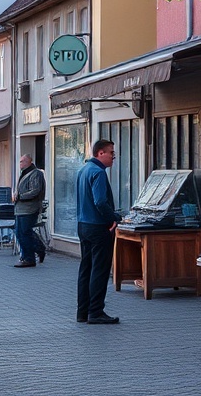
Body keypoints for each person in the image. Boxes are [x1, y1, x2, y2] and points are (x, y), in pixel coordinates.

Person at [76, 139, 122, 324]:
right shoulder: (98, 173)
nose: (114, 156)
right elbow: (100, 202)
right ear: (100, 153)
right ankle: (95, 312)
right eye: (111, 153)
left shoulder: (83, 170)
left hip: (83, 225)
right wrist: (113, 218)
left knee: (85, 268)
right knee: (100, 269)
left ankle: (82, 311)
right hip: (97, 227)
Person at [12, 154, 47, 268]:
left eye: (22, 161)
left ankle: (29, 257)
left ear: (29, 162)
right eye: (20, 161)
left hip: (29, 208)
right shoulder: (24, 173)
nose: (20, 164)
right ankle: (34, 251)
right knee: (20, 232)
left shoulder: (36, 173)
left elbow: (35, 190)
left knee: (24, 232)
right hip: (20, 209)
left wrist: (20, 196)